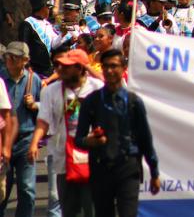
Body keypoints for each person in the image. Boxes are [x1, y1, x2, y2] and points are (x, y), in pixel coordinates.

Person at [75, 49, 161, 217]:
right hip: (100, 169)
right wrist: (90, 142)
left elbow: (145, 139)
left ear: (123, 68)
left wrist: (154, 172)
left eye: (114, 66)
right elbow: (79, 139)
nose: (109, 70)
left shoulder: (134, 102)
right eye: (105, 66)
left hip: (128, 168)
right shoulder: (91, 101)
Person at [28, 49, 103, 217]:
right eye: (58, 66)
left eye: (66, 67)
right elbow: (43, 120)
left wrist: (89, 67)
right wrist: (34, 144)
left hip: (93, 159)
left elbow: (114, 86)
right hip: (63, 159)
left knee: (92, 209)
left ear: (80, 68)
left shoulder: (96, 87)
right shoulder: (50, 91)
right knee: (69, 209)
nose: (60, 70)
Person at [0, 42, 40, 217]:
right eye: (7, 56)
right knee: (2, 190)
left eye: (14, 57)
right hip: (3, 140)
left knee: (27, 189)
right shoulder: (1, 79)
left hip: (26, 138)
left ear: (25, 60)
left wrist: (35, 105)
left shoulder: (34, 80)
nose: (9, 59)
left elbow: (45, 110)